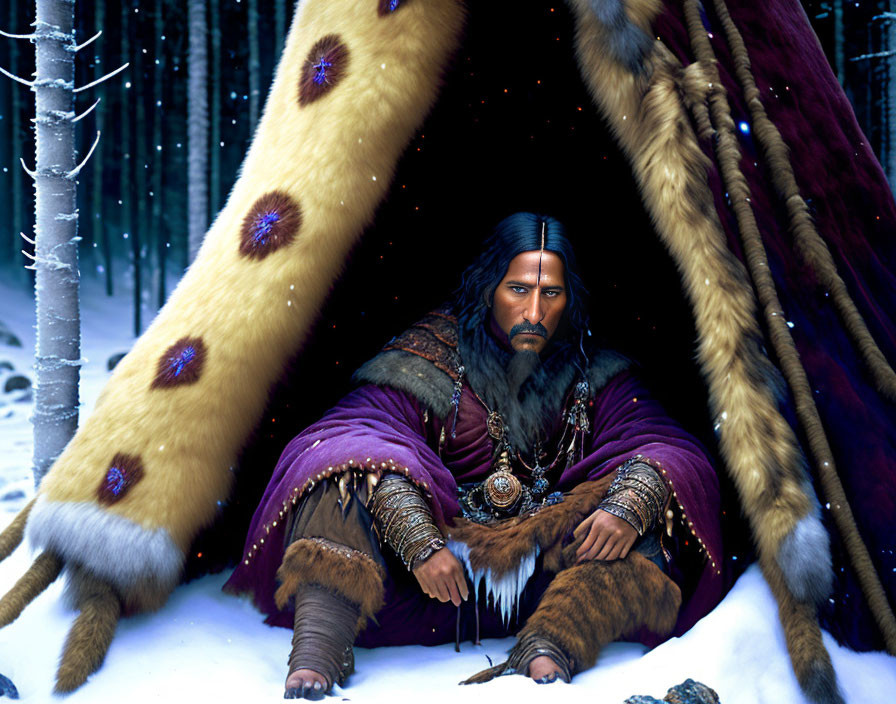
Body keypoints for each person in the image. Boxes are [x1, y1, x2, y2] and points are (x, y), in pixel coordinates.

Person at [224, 212, 724, 700]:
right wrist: (415, 535)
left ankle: (553, 642)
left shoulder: (592, 367)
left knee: (651, 524)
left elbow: (664, 443)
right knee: (336, 487)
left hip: (546, 580)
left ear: (569, 299)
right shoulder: (428, 357)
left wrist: (628, 505)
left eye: (551, 293)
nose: (534, 312)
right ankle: (318, 652)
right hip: (434, 583)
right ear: (489, 289)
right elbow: (350, 435)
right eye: (519, 290)